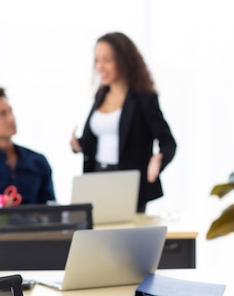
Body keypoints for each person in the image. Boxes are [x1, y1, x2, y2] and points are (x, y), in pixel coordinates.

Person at [70, 32, 176, 213]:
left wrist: (159, 159)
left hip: (127, 183)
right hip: (96, 177)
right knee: (95, 236)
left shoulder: (143, 99)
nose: (100, 67)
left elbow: (168, 142)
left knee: (125, 238)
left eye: (107, 60)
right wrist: (77, 144)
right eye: (97, 60)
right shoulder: (101, 95)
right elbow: (97, 139)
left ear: (124, 61)